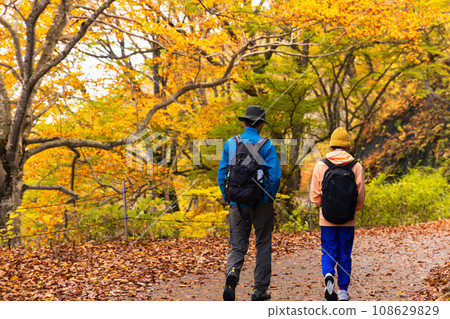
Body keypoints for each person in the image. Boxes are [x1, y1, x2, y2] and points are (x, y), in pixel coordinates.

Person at [218, 105, 282, 301]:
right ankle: (259, 290)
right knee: (262, 245)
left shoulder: (231, 143)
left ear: (244, 122)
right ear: (261, 125)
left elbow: (222, 174)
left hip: (237, 204)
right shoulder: (267, 145)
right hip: (261, 203)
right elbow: (275, 177)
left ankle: (233, 273)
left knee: (237, 246)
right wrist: (267, 197)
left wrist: (229, 196)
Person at [310, 127, 366, 301]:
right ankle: (343, 291)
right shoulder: (356, 166)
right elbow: (361, 194)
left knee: (328, 251)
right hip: (348, 220)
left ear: (332, 145)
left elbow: (314, 196)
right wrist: (352, 209)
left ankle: (328, 275)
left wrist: (326, 207)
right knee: (344, 253)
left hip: (326, 219)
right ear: (347, 146)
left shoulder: (321, 165)